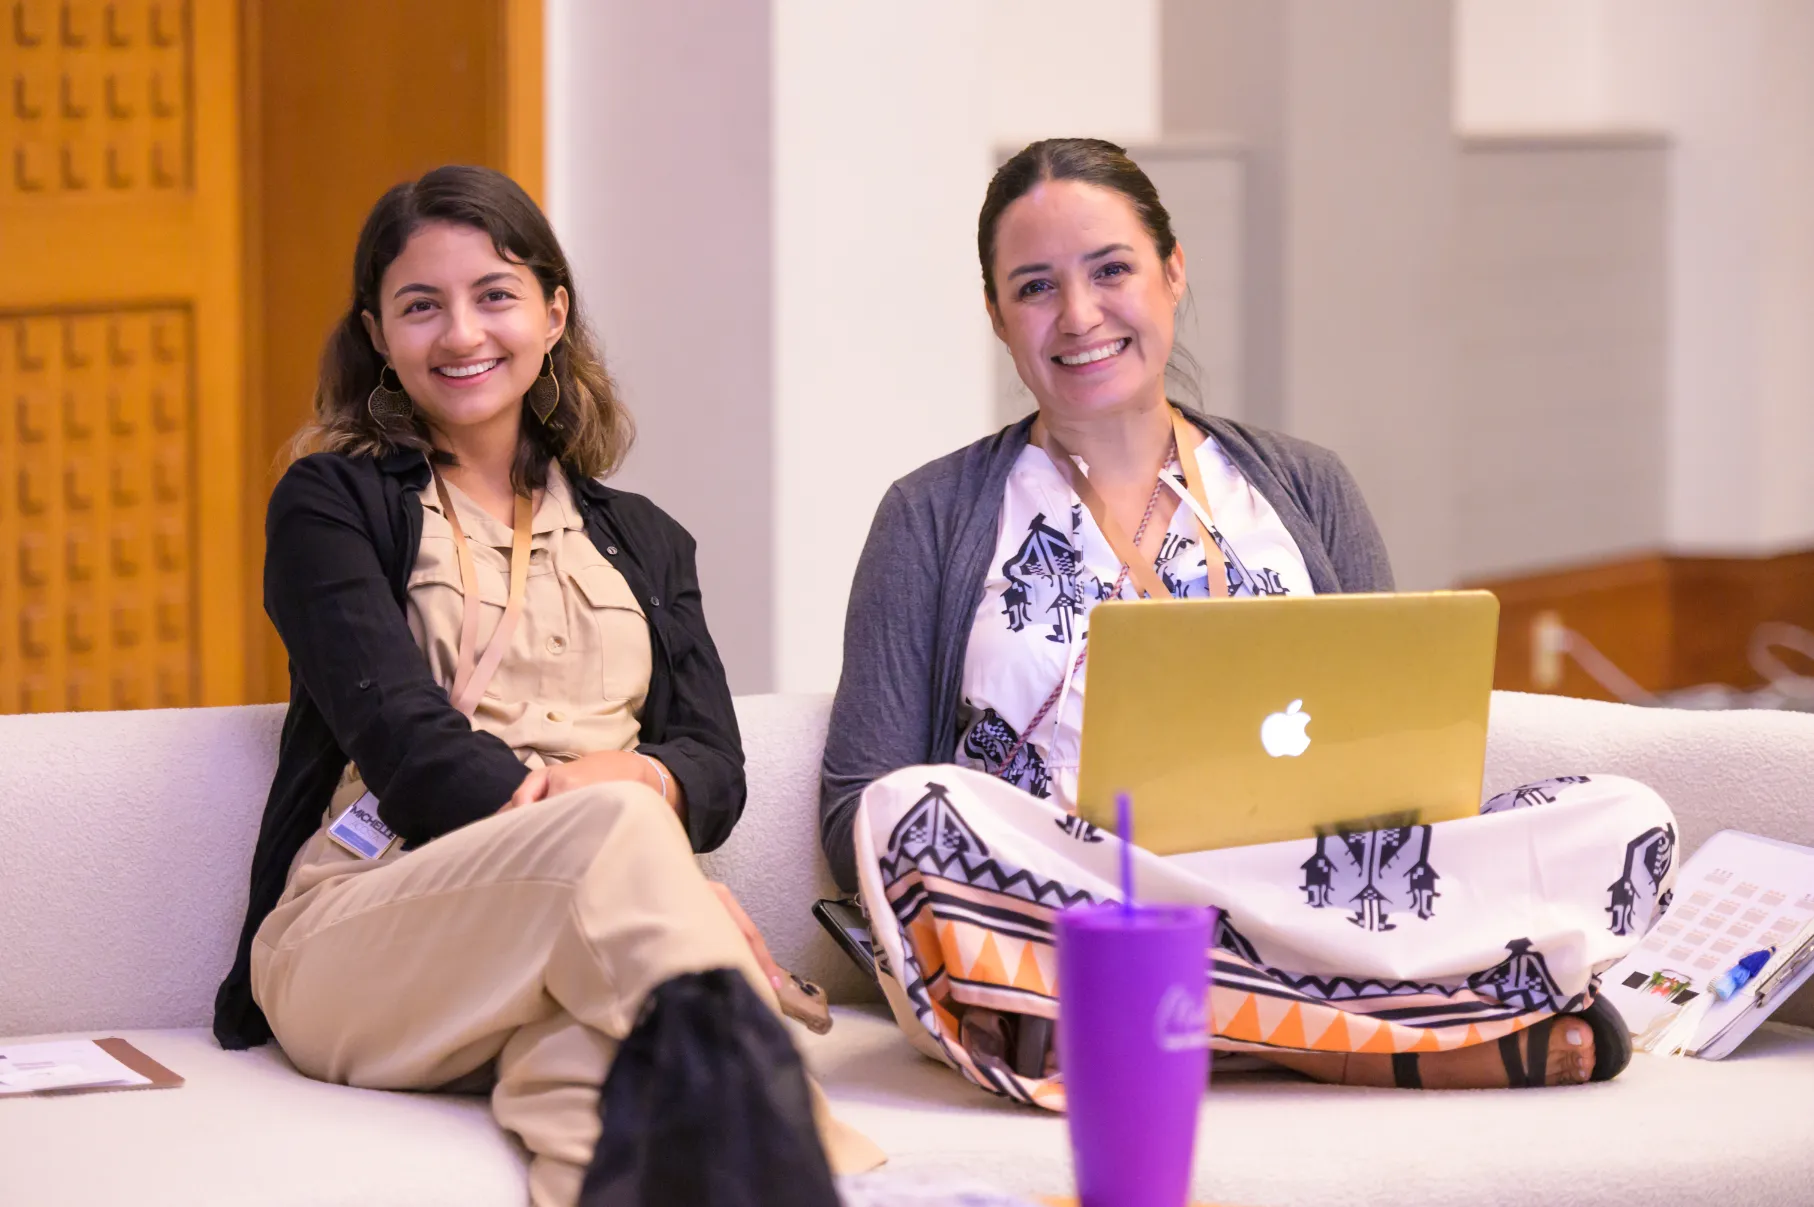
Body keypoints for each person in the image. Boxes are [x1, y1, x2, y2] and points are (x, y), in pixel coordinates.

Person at [820, 139, 1678, 1106]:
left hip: (1304, 895)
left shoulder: (1305, 487)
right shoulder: (930, 514)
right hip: (1077, 906)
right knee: (911, 808)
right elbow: (858, 807)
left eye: (1111, 270)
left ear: (1173, 271)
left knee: (1626, 820)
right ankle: (1355, 1038)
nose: (1080, 315)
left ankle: (1174, 1019)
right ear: (995, 314)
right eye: (1035, 287)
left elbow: (1407, 762)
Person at [213, 165, 880, 1205]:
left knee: (596, 1085)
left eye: (495, 294)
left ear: (554, 312)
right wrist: (612, 832)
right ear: (377, 334)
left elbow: (713, 766)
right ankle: (817, 1175)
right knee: (616, 834)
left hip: (576, 944)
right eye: (420, 306)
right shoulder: (330, 505)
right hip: (365, 930)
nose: (460, 333)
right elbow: (402, 740)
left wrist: (636, 785)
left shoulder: (645, 538)